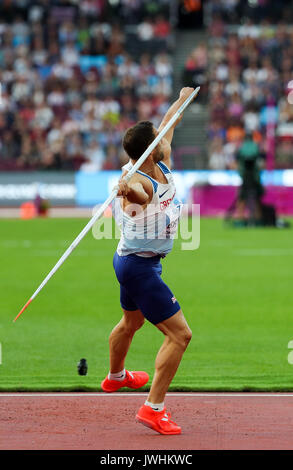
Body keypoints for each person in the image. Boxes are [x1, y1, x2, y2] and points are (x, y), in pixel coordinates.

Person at [101, 87, 195, 435]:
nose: (163, 137)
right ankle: (153, 408)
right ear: (149, 149)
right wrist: (126, 190)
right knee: (180, 335)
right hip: (139, 268)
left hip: (132, 262)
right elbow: (136, 197)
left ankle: (116, 377)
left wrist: (182, 98)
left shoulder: (158, 157)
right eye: (158, 137)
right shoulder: (138, 181)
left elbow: (170, 121)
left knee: (130, 323)